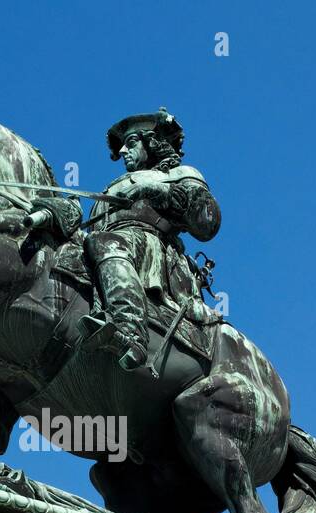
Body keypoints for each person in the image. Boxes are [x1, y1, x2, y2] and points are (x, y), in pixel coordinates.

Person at [82, 108, 222, 370]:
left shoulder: (178, 175)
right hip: (105, 247)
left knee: (104, 242)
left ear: (152, 143)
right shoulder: (113, 185)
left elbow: (207, 223)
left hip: (147, 249)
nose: (123, 151)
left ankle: (130, 331)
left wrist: (155, 190)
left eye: (131, 143)